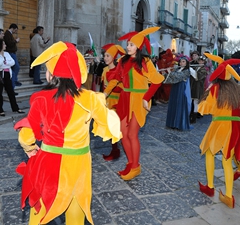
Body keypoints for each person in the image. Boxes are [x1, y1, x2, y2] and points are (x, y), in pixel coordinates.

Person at [14, 41, 122, 224]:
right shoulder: (90, 99)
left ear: (50, 75)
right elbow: (110, 122)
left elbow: (26, 134)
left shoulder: (40, 98)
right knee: (76, 207)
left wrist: (29, 148)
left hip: (49, 162)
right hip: (79, 164)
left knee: (41, 206)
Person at [104, 27, 164, 180]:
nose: (128, 47)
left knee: (132, 134)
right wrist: (105, 94)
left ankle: (136, 165)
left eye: (131, 44)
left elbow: (157, 81)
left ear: (138, 46)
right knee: (123, 134)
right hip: (124, 98)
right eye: (127, 44)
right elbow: (115, 79)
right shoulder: (122, 61)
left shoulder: (145, 61)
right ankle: (131, 164)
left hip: (138, 99)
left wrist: (146, 98)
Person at [198, 53, 240, 209]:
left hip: (219, 125)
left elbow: (204, 109)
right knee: (227, 160)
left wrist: (207, 92)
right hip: (235, 127)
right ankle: (229, 196)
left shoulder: (215, 88)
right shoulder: (237, 89)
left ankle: (210, 187)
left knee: (209, 152)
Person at [101, 43, 125, 161]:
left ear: (114, 58)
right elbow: (103, 86)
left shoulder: (119, 71)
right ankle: (115, 149)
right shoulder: (104, 70)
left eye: (108, 56)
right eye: (105, 56)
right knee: (110, 127)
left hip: (116, 102)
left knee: (114, 127)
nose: (105, 58)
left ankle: (116, 150)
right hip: (107, 102)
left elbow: (121, 87)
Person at [164, 57, 192, 130]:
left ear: (186, 63)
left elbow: (178, 76)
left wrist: (170, 72)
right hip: (175, 88)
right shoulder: (177, 69)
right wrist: (165, 73)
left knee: (180, 105)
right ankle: (172, 123)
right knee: (174, 104)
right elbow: (171, 79)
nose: (181, 63)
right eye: (180, 62)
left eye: (183, 62)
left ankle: (178, 124)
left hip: (181, 89)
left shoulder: (187, 71)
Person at [0, 39, 25, 116]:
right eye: (4, 44)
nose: (5, 45)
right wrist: (5, 62)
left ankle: (15, 108)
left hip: (7, 74)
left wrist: (5, 62)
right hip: (0, 75)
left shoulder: (7, 53)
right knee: (0, 93)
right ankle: (0, 110)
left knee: (11, 92)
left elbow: (12, 62)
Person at [189, 53, 207, 123]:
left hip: (198, 88)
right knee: (190, 101)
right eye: (199, 61)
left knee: (196, 102)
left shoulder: (203, 70)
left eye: (202, 61)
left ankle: (194, 118)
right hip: (193, 87)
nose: (200, 62)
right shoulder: (195, 67)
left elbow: (197, 77)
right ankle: (189, 115)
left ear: (204, 62)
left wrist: (190, 69)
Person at [4, 23, 21, 90]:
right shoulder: (7, 33)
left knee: (15, 67)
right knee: (16, 66)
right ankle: (14, 81)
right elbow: (9, 43)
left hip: (12, 53)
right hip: (10, 53)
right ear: (12, 28)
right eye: (15, 30)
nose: (16, 32)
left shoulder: (9, 34)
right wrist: (16, 41)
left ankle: (14, 80)